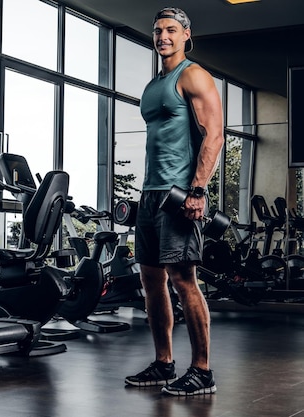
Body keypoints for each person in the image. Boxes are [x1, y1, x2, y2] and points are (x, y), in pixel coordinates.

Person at [124, 7, 224, 396]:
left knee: (184, 280)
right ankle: (164, 363)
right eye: (157, 30)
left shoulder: (193, 75)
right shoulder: (154, 85)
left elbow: (214, 135)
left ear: (186, 35)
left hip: (180, 194)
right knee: (151, 280)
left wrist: (198, 190)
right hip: (151, 194)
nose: (162, 35)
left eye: (170, 29)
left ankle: (202, 371)